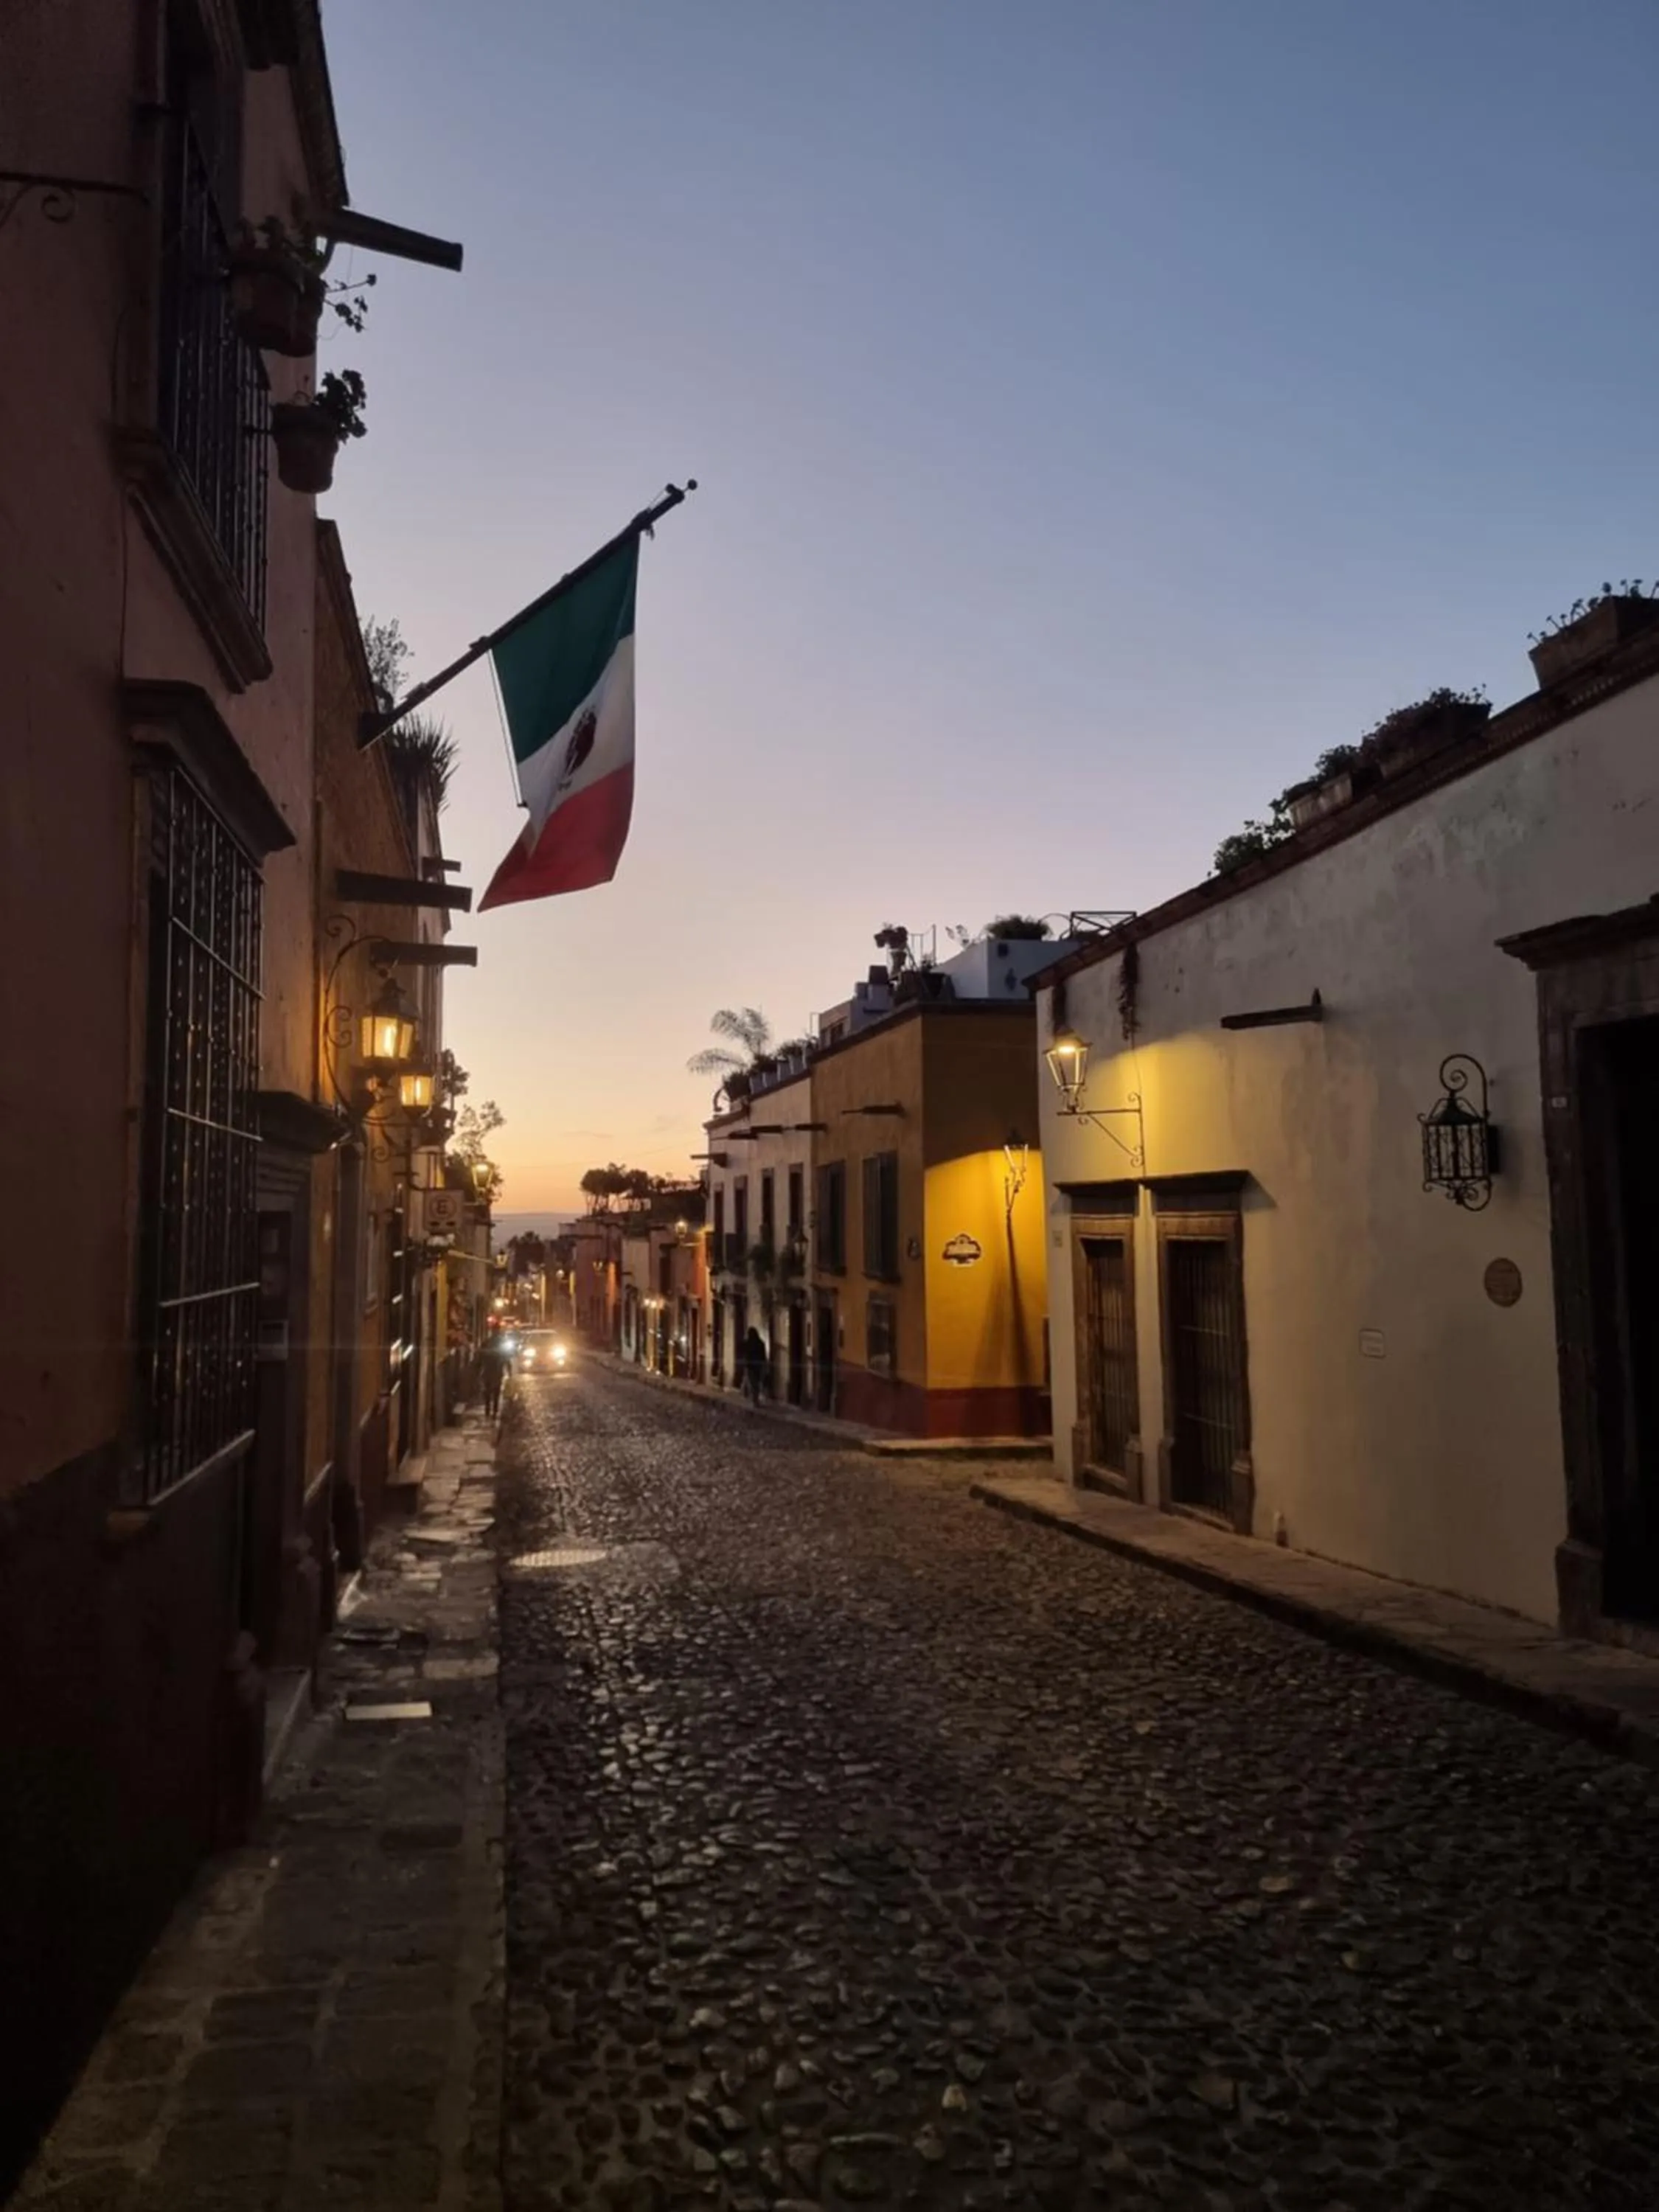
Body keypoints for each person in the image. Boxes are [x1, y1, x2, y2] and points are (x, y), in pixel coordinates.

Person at [481, 1329, 513, 1419]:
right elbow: (507, 1359)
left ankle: (488, 1411)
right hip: (497, 1372)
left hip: (488, 1371)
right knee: (496, 1392)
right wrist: (509, 1372)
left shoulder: (486, 1342)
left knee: (488, 1392)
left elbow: (480, 1356)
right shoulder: (502, 1343)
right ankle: (494, 1411)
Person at [742, 1326, 768, 1411]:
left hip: (751, 1367)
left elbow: (745, 1354)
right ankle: (755, 1400)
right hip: (758, 1366)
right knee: (756, 1383)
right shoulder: (761, 1343)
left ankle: (755, 1400)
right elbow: (763, 1356)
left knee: (753, 1383)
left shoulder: (748, 1343)